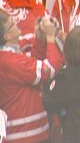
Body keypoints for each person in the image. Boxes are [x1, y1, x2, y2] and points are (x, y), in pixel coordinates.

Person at [0, 9, 61, 143]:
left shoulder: (8, 57)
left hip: (22, 133)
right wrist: (50, 37)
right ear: (6, 36)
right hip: (27, 136)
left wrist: (39, 39)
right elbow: (50, 69)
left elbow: (32, 63)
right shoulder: (10, 61)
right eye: (12, 24)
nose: (16, 24)